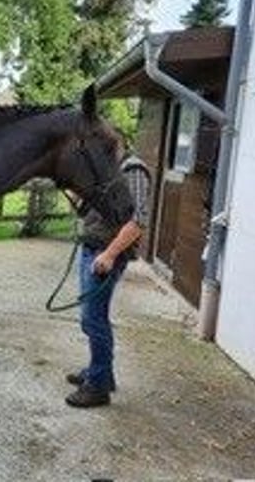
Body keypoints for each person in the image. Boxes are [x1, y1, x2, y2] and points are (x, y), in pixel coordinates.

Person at [65, 149, 150, 408]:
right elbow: (86, 212)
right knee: (89, 318)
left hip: (104, 255)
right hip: (91, 247)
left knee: (94, 319)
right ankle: (99, 373)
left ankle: (99, 387)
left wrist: (111, 254)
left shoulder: (132, 170)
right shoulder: (105, 172)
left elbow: (138, 220)